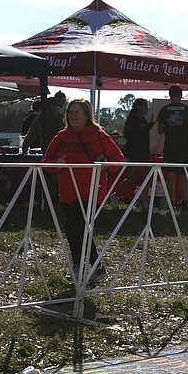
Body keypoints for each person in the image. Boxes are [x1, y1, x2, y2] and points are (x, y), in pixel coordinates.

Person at [42, 99, 124, 286]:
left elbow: (118, 158)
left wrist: (105, 166)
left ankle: (94, 267)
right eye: (70, 112)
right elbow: (47, 161)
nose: (72, 115)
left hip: (91, 191)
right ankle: (82, 268)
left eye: (77, 111)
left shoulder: (99, 135)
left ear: (87, 115)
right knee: (77, 230)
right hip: (68, 192)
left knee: (74, 226)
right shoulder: (61, 136)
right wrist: (57, 163)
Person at [156, 85, 188, 210]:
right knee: (183, 176)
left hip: (169, 147)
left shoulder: (164, 110)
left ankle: (171, 203)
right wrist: (187, 132)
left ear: (170, 95)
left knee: (171, 176)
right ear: (181, 95)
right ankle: (184, 204)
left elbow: (160, 130)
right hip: (183, 147)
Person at [118, 97, 155, 207]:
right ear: (138, 107)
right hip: (133, 152)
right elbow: (130, 135)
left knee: (147, 176)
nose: (146, 108)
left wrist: (149, 125)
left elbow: (144, 135)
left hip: (143, 152)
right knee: (131, 178)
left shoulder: (143, 120)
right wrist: (143, 127)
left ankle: (144, 201)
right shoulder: (132, 119)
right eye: (144, 106)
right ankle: (115, 196)